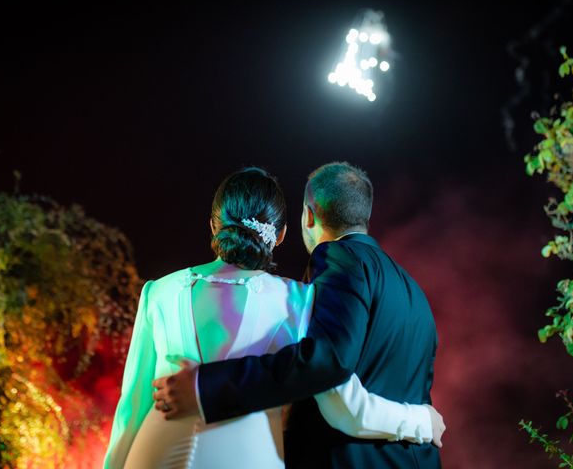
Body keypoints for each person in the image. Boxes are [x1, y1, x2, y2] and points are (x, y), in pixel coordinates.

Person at [104, 166, 444, 469]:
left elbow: (131, 407)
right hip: (253, 455)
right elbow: (338, 397)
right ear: (279, 235)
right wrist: (420, 422)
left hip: (153, 451)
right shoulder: (310, 297)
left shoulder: (158, 291)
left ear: (212, 225)